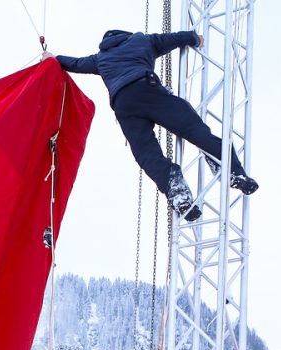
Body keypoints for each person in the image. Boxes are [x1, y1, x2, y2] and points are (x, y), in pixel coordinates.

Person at [46, 30, 259, 222]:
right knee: (192, 128)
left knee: (146, 153)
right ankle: (231, 169)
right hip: (147, 89)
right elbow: (174, 38)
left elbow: (75, 63)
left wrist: (52, 59)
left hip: (124, 105)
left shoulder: (101, 58)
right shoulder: (141, 40)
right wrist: (195, 38)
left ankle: (175, 188)